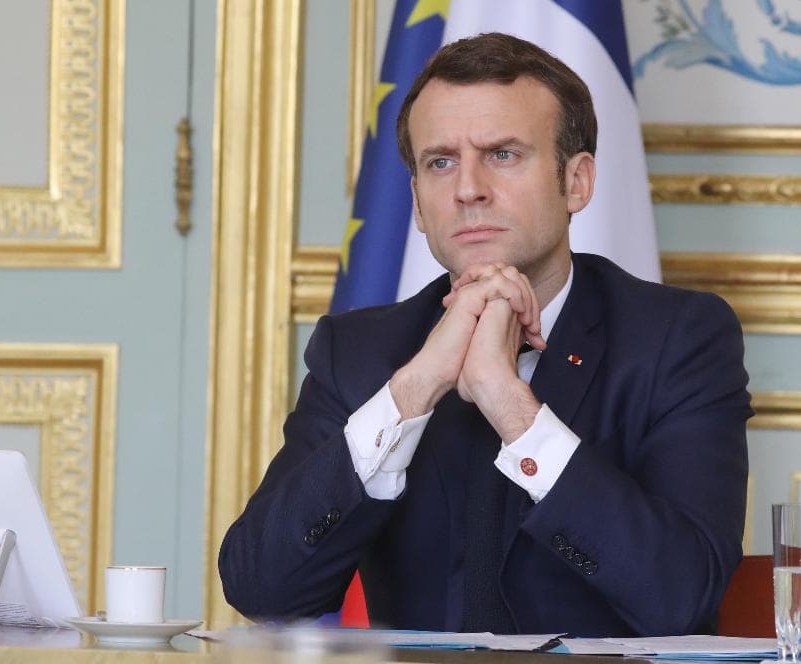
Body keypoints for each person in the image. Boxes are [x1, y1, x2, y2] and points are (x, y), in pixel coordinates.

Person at [219, 32, 751, 637]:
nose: (467, 188)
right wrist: (412, 392)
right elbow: (262, 588)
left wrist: (508, 401)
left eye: (502, 154)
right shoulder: (360, 350)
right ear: (418, 203)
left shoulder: (678, 338)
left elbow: (681, 596)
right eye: (440, 162)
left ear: (576, 182)